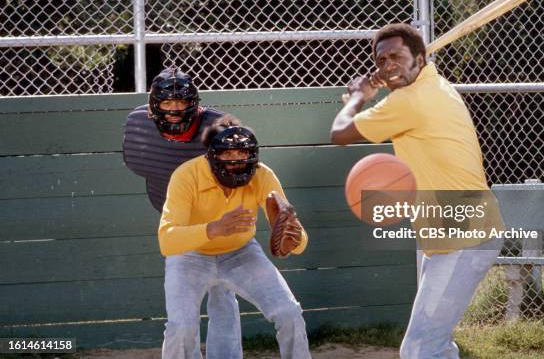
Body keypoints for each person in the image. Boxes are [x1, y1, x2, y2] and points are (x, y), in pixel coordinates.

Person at [329, 23, 504, 359]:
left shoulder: (411, 100)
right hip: (445, 230)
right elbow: (398, 93)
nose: (388, 64)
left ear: (420, 59)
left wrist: (358, 96)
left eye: (397, 56)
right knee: (434, 342)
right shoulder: (436, 84)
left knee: (421, 348)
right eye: (381, 60)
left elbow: (339, 133)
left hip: (463, 235)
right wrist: (387, 82)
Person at [159, 115, 311, 359]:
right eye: (228, 155)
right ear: (210, 155)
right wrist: (214, 229)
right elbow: (167, 240)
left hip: (241, 252)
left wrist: (296, 239)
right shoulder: (186, 175)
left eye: (242, 153)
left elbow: (296, 235)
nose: (236, 161)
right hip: (190, 255)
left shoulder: (262, 175)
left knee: (289, 313)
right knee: (182, 328)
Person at [122, 68, 243, 358]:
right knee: (180, 317)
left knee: (223, 297)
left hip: (219, 222)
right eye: (167, 103)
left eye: (181, 102)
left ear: (195, 104)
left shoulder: (219, 126)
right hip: (180, 227)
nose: (175, 109)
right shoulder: (139, 126)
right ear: (154, 105)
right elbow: (143, 165)